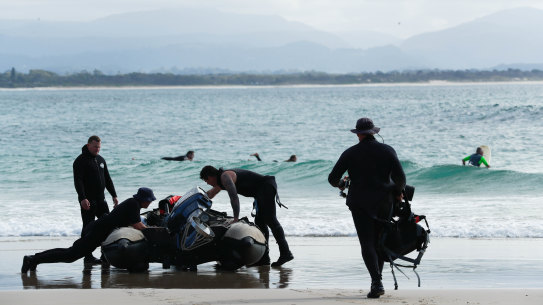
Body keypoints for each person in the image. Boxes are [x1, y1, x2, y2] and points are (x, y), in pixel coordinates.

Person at [328, 118, 406, 299]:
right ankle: (377, 280)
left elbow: (333, 178)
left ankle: (376, 282)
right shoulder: (388, 150)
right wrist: (398, 192)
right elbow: (401, 178)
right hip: (384, 203)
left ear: (359, 134)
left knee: (367, 242)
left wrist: (341, 184)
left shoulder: (350, 153)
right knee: (380, 241)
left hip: (360, 203)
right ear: (374, 132)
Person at [21, 187, 156, 273]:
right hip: (97, 232)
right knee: (70, 255)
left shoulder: (133, 203)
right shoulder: (133, 204)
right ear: (144, 200)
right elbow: (138, 225)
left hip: (98, 229)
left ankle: (35, 258)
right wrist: (154, 231)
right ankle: (32, 259)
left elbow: (133, 223)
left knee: (70, 253)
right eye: (149, 200)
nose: (150, 203)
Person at [200, 166, 293, 267]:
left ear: (210, 176)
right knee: (260, 223)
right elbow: (210, 193)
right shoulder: (221, 180)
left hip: (266, 186)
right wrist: (196, 199)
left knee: (271, 220)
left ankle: (285, 253)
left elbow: (234, 197)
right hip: (261, 191)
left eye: (206, 180)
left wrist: (236, 218)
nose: (207, 183)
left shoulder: (225, 177)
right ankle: (264, 259)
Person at [73, 135, 118, 264]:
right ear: (88, 146)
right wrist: (82, 198)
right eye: (95, 147)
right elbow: (78, 181)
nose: (97, 149)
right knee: (88, 227)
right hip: (88, 200)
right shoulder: (80, 161)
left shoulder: (101, 160)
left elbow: (108, 179)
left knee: (108, 225)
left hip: (101, 200)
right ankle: (87, 256)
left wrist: (114, 195)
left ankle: (105, 254)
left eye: (99, 147)